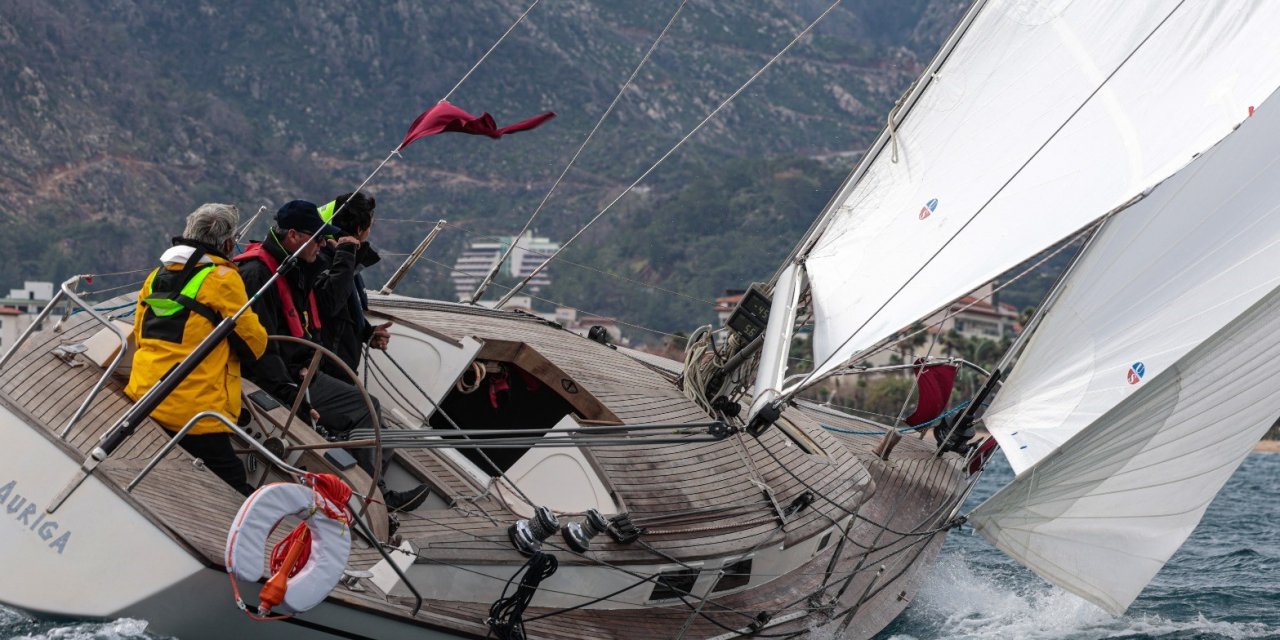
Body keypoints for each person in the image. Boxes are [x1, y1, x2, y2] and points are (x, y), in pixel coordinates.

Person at [236, 200, 429, 512]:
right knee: (366, 409)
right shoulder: (259, 274)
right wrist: (290, 380)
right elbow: (262, 342)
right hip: (281, 378)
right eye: (317, 239)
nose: (323, 244)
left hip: (298, 368)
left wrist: (365, 332)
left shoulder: (291, 266)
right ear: (295, 236)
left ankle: (358, 491)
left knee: (363, 412)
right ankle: (375, 499)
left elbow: (309, 311)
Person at [125, 203, 268, 496]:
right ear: (228, 243)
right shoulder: (223, 279)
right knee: (234, 484)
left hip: (146, 396)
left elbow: (139, 334)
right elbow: (254, 344)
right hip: (194, 412)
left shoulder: (155, 277)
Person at [317, 191, 392, 377]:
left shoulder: (342, 258)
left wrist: (368, 332)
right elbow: (329, 304)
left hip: (338, 365)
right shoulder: (334, 260)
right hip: (329, 368)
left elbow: (345, 309)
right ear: (360, 229)